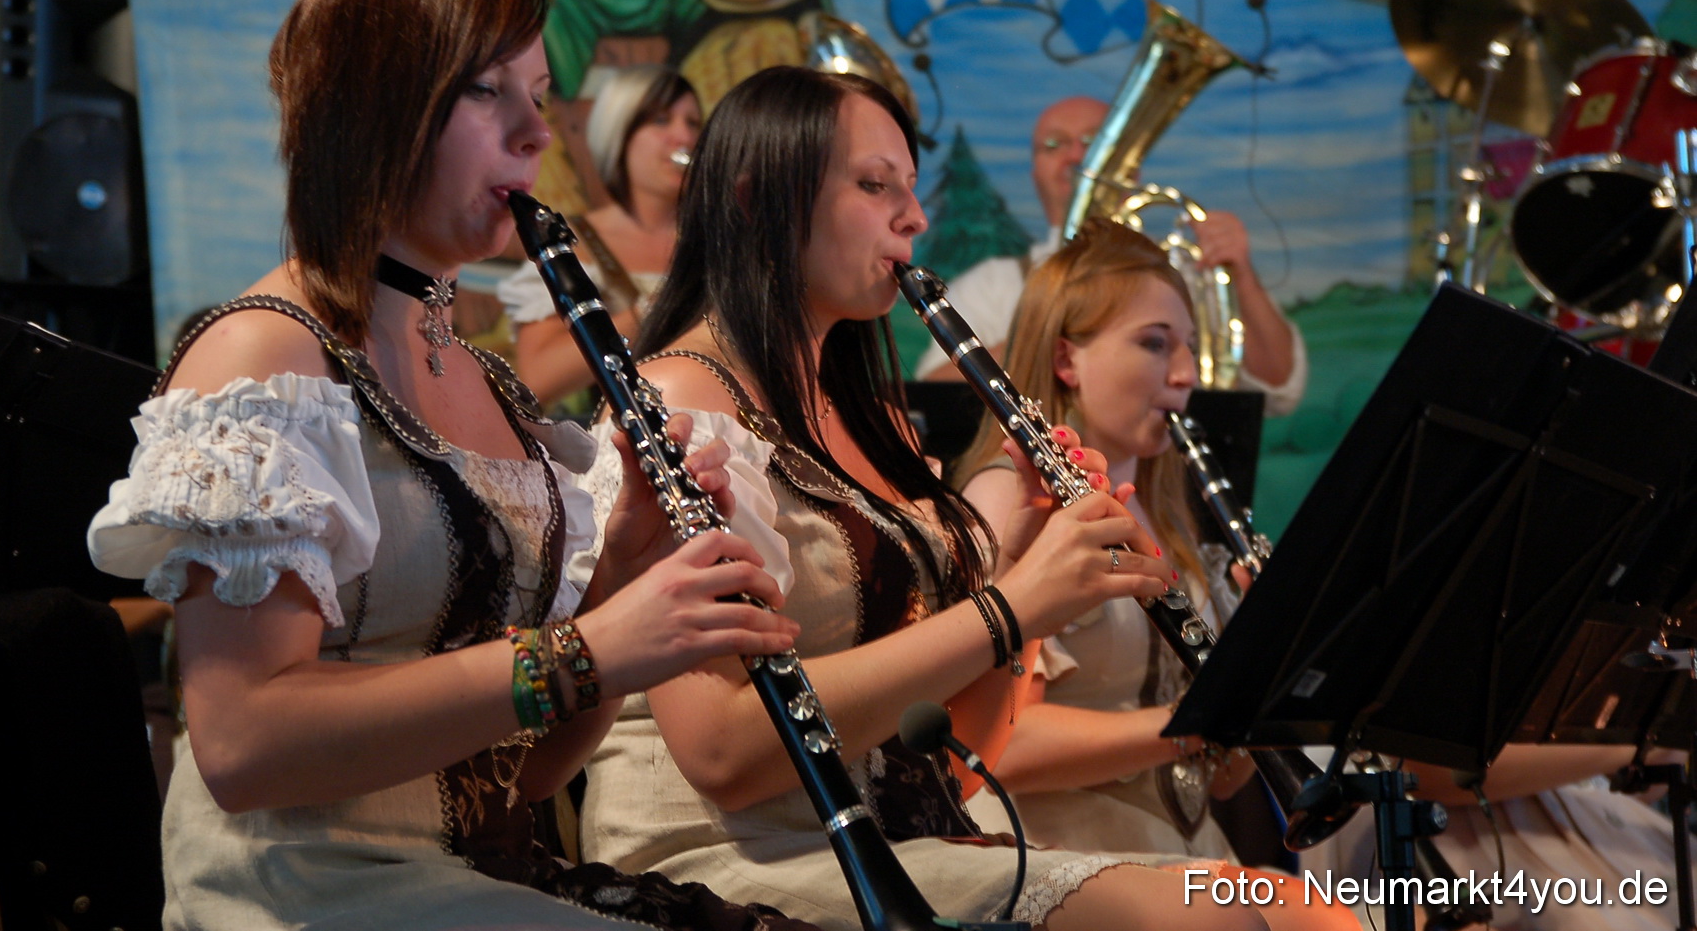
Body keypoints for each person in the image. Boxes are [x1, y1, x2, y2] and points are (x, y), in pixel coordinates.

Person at [87, 0, 822, 931]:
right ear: (375, 106)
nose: (534, 135)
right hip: (308, 893)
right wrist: (589, 647)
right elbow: (241, 745)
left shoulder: (494, 386)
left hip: (490, 877)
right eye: (488, 93)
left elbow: (530, 775)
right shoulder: (265, 358)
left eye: (539, 93)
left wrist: (628, 588)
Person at [570, 64, 1339, 931]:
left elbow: (963, 768)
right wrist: (1011, 606)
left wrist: (1023, 575)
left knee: (1308, 909)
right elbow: (723, 752)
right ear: (756, 198)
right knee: (1217, 919)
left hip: (898, 838)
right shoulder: (677, 402)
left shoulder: (881, 425)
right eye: (874, 185)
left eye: (911, 186)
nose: (915, 216)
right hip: (723, 858)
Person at [953, 219, 1255, 864]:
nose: (1186, 374)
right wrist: (1193, 727)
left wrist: (1264, 669)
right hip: (1055, 851)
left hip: (1184, 849)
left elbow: (1225, 776)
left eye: (1191, 348)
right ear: (1067, 360)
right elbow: (1005, 744)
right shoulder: (1008, 500)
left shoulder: (1167, 511)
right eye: (1154, 344)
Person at [916, 95, 1306, 417]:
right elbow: (933, 397)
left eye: (1094, 141)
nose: (1075, 157)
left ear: (1132, 168)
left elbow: (1279, 391)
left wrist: (1242, 276)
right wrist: (1048, 329)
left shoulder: (1185, 270)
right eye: (1054, 145)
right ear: (1036, 173)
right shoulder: (991, 282)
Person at [1302, 747, 1681, 930]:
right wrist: (1631, 747)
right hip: (1443, 819)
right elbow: (1434, 767)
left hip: (1558, 809)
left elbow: (1645, 787)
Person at [499, 64, 700, 404]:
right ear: (619, 134)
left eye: (693, 123)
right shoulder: (574, 241)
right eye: (661, 120)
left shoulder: (716, 239)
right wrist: (655, 307)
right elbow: (538, 379)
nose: (685, 138)